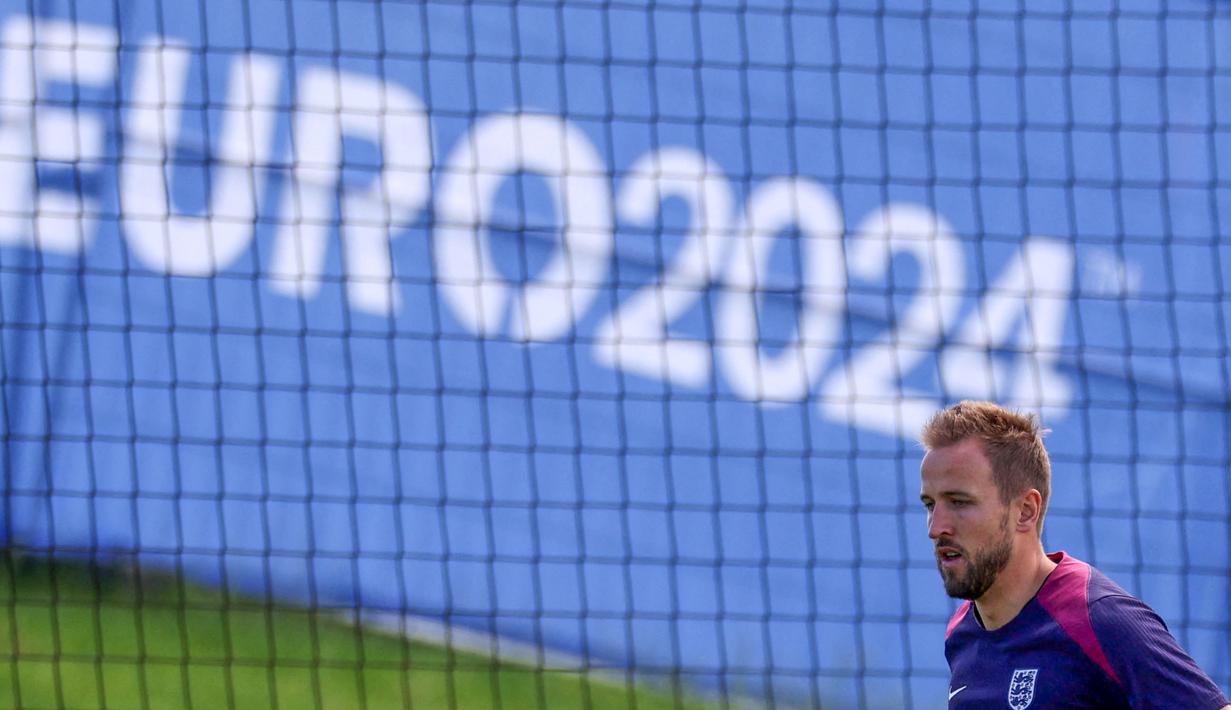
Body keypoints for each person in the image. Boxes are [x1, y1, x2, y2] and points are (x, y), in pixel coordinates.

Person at [918, 400, 1229, 709]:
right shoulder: (962, 630)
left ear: (1025, 511)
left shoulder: (1101, 620)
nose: (935, 527)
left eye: (959, 502)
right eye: (930, 505)